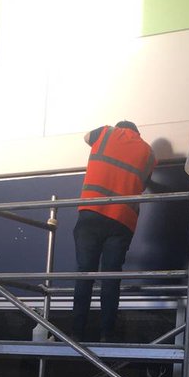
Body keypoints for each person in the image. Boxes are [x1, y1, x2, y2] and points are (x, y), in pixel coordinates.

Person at [72, 119, 156, 342]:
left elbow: (85, 136)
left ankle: (76, 333)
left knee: (85, 273)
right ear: (137, 133)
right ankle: (107, 333)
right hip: (122, 220)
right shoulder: (149, 153)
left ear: (120, 127)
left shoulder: (105, 133)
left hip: (92, 213)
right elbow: (144, 183)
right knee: (111, 276)